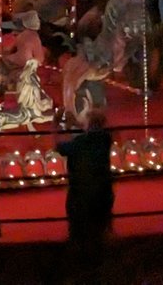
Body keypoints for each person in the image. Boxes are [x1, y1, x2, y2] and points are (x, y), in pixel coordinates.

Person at [56, 109, 114, 272]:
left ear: (89, 123)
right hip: (102, 188)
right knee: (98, 227)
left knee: (81, 225)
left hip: (83, 190)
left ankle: (83, 260)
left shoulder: (82, 142)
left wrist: (58, 128)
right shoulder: (105, 138)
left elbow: (61, 148)